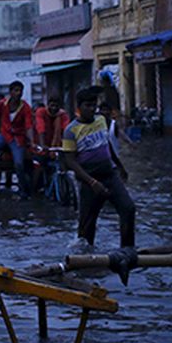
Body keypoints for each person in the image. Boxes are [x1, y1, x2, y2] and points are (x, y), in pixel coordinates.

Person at [61, 87, 136, 250]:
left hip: (109, 174)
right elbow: (70, 161)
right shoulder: (70, 130)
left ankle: (128, 249)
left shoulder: (101, 120)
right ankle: (86, 259)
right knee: (87, 224)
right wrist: (92, 182)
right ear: (79, 107)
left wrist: (120, 166)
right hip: (88, 178)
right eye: (88, 105)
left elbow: (106, 144)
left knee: (128, 208)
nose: (92, 109)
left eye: (94, 105)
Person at [0, 81, 34, 199]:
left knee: (18, 163)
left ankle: (23, 190)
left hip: (18, 138)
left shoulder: (25, 107)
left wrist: (31, 141)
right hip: (4, 134)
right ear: (10, 92)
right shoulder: (3, 104)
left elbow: (28, 126)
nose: (18, 93)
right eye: (16, 90)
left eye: (20, 91)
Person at [33, 95, 71, 192]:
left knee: (66, 164)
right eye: (52, 105)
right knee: (39, 167)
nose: (54, 108)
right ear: (48, 105)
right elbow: (40, 128)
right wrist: (42, 145)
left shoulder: (63, 115)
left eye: (56, 106)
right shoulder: (41, 112)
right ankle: (34, 190)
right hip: (41, 146)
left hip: (57, 146)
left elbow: (67, 130)